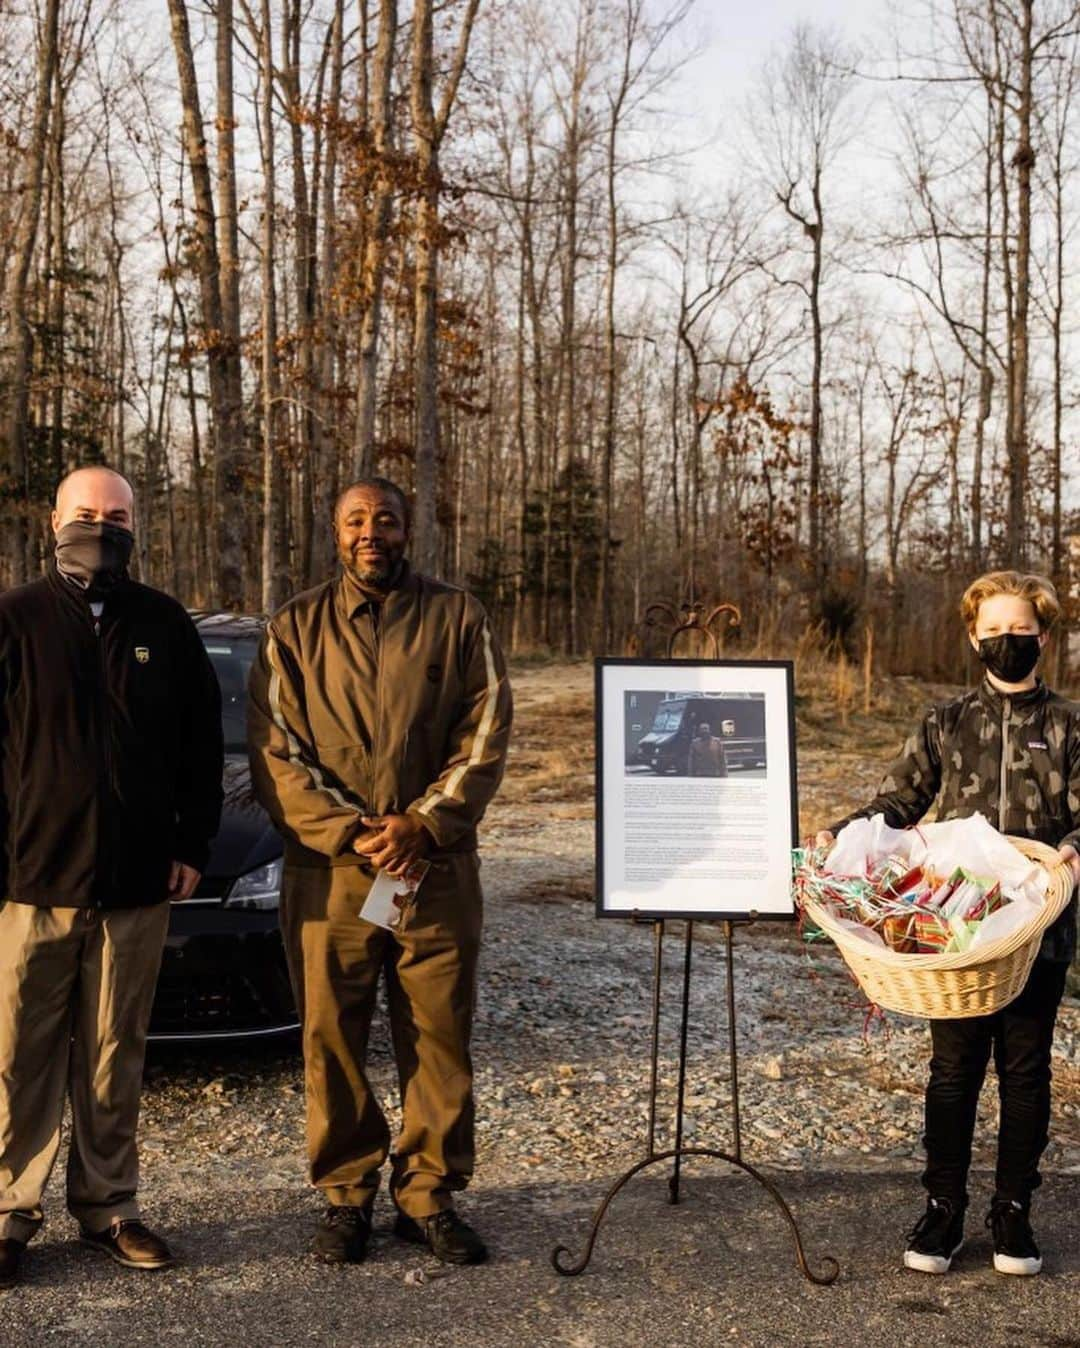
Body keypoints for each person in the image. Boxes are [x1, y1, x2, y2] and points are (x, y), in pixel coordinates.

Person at [247, 477, 512, 1267]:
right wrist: (355, 835)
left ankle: (428, 1195)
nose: (372, 532)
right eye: (357, 520)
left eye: (386, 519)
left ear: (408, 529)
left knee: (437, 1035)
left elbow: (487, 730)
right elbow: (275, 751)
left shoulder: (458, 616)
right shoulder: (294, 627)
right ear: (336, 534)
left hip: (435, 873)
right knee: (332, 1037)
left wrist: (424, 826)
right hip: (330, 875)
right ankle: (347, 1195)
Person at [817, 571, 1080, 1279]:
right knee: (953, 1070)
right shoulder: (945, 722)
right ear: (973, 638)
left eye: (1021, 632)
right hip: (956, 936)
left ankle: (1013, 1213)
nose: (1008, 644)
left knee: (1024, 1072)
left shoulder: (1069, 725)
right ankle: (943, 1208)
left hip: (1038, 933)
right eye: (994, 632)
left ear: (1043, 636)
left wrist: (1073, 854)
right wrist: (837, 838)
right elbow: (896, 802)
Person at [0, 467, 224, 1291]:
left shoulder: (162, 624)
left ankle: (108, 1207)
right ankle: (8, 1210)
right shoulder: (14, 619)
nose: (102, 526)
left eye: (117, 515)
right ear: (52, 521)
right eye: (86, 514)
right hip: (30, 883)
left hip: (134, 886)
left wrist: (192, 843)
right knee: (17, 1055)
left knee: (111, 1053)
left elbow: (204, 747)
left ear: (138, 526)